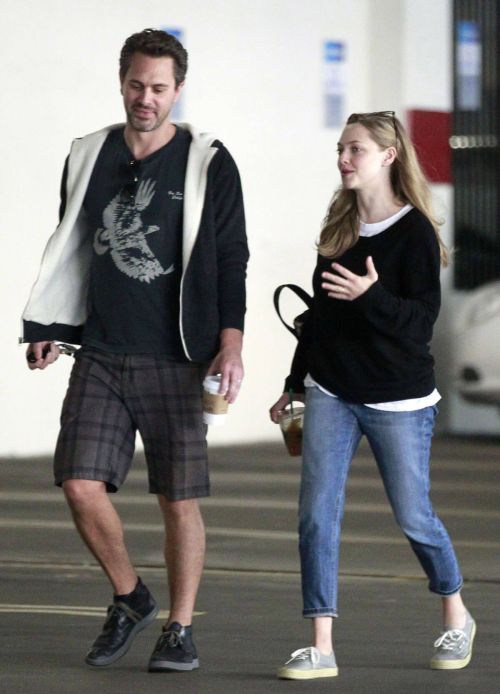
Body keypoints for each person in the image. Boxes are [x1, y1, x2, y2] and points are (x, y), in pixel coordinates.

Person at [21, 28, 248, 673]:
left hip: (179, 356)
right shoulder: (87, 153)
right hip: (99, 350)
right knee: (79, 484)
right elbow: (68, 245)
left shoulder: (208, 160)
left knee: (178, 498)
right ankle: (130, 595)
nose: (145, 98)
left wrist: (229, 344)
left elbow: (232, 258)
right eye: (135, 85)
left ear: (178, 89)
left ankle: (179, 626)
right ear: (120, 81)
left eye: (158, 88)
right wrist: (50, 326)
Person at [270, 111, 475, 680]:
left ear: (388, 155)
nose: (343, 159)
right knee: (316, 516)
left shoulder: (413, 233)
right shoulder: (338, 228)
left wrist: (371, 295)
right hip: (331, 388)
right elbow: (318, 320)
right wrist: (293, 384)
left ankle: (456, 615)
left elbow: (420, 323)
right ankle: (321, 645)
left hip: (398, 398)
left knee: (414, 517)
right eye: (340, 148)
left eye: (355, 149)